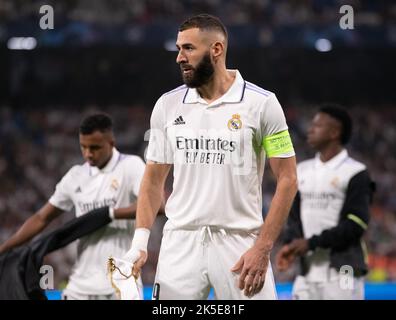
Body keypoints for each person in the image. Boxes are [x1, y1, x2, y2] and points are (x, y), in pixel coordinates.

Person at [123, 14, 298, 300]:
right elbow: (153, 181)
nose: (180, 57)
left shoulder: (262, 104)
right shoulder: (167, 105)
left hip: (241, 244)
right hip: (180, 243)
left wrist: (263, 248)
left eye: (188, 48)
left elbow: (288, 179)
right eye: (179, 48)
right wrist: (139, 243)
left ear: (216, 49)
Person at [0, 113, 146, 300]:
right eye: (83, 147)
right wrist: (4, 248)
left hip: (121, 283)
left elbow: (156, 206)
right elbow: (41, 218)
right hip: (80, 286)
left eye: (95, 147)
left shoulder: (131, 166)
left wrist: (109, 214)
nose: (88, 154)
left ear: (111, 142)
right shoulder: (76, 176)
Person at [275, 105, 374, 300]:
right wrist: (290, 245)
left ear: (334, 132)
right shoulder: (301, 170)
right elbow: (294, 218)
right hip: (307, 272)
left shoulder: (356, 172)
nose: (310, 129)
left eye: (317, 125)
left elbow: (356, 223)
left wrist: (311, 243)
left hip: (344, 270)